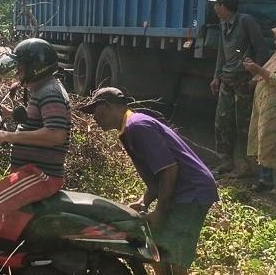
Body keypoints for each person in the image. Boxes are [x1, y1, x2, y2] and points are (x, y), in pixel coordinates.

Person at [0, 38, 71, 275]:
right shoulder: (41, 88)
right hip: (32, 170)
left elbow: (56, 134)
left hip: (40, 175)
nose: (18, 72)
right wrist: (9, 114)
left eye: (21, 67)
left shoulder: (50, 92)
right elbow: (36, 120)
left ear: (36, 67)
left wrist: (9, 137)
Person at [80, 87, 219, 275]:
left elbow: (169, 169)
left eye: (94, 111)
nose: (93, 118)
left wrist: (160, 211)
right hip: (184, 191)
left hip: (192, 191)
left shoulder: (138, 126)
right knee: (155, 250)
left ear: (107, 106)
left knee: (175, 258)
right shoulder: (128, 129)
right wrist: (144, 200)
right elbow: (158, 174)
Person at [207, 0, 266, 176]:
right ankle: (227, 162)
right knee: (222, 121)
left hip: (243, 81)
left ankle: (245, 165)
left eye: (217, 5)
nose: (215, 9)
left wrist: (257, 75)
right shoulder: (223, 24)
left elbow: (261, 48)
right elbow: (221, 54)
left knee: (243, 123)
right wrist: (217, 76)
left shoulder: (245, 21)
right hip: (227, 79)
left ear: (224, 7)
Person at [243, 25, 276, 193]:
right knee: (263, 140)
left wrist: (258, 69)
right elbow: (266, 74)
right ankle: (265, 179)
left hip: (275, 112)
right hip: (265, 109)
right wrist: (254, 68)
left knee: (274, 143)